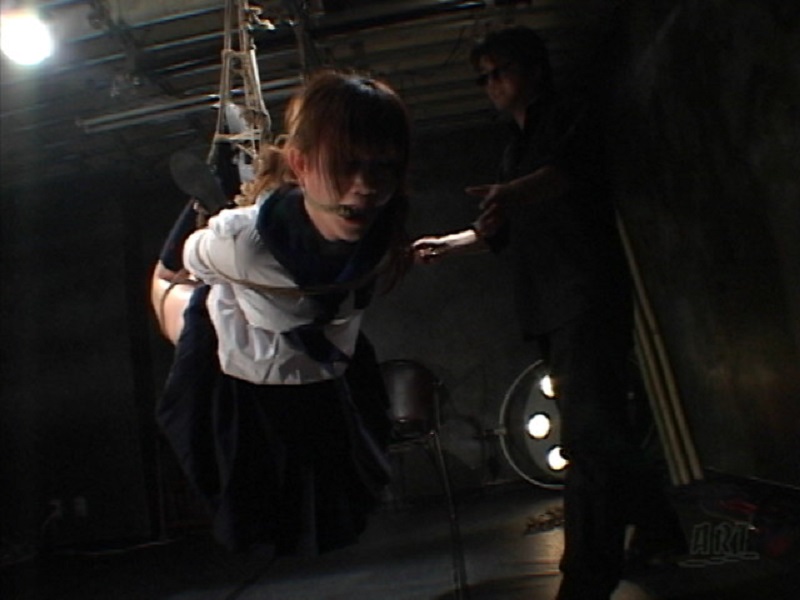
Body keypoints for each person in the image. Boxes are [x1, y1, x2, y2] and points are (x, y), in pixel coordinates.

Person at [413, 27, 686, 600]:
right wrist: (449, 244)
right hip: (550, 304)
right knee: (602, 432)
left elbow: (565, 174)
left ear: (534, 68)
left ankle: (586, 578)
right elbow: (499, 229)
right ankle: (661, 532)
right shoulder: (513, 149)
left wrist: (510, 194)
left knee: (589, 439)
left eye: (500, 71)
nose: (492, 85)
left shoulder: (568, 116)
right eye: (483, 78)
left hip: (585, 294)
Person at [150, 70, 412, 556]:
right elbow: (185, 263)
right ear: (301, 164)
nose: (365, 185)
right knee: (167, 287)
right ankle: (208, 195)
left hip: (317, 362)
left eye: (384, 167)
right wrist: (209, 221)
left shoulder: (385, 232)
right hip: (233, 348)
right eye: (346, 165)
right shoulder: (245, 243)